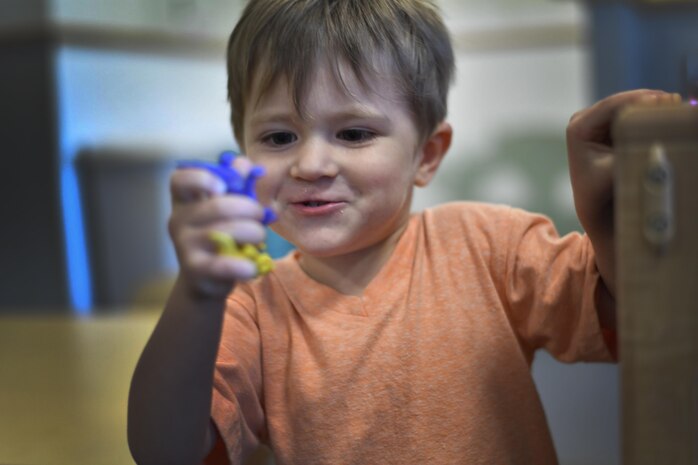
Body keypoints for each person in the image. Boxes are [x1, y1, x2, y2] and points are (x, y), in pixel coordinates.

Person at [127, 1, 682, 464]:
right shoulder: (251, 310)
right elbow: (164, 451)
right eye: (277, 138)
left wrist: (605, 214)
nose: (311, 164)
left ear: (426, 153)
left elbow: (640, 318)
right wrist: (196, 294)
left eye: (353, 132)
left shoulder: (487, 247)